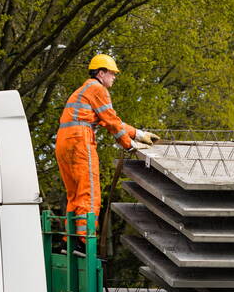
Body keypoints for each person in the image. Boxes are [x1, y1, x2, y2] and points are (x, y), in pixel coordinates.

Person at [55, 54, 160, 238]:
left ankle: (71, 239)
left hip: (64, 143)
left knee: (75, 193)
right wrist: (129, 145)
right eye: (112, 73)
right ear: (101, 73)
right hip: (80, 141)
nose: (114, 77)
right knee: (90, 192)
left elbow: (110, 120)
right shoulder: (98, 89)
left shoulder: (84, 90)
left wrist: (139, 134)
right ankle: (85, 239)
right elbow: (112, 122)